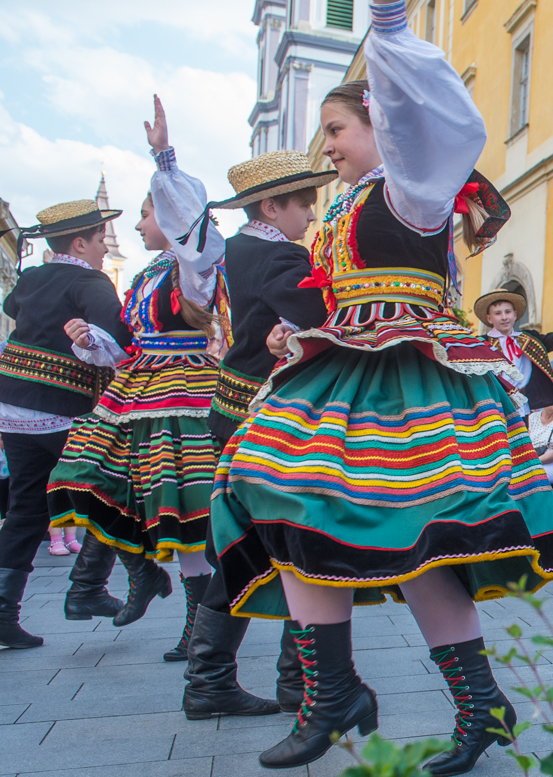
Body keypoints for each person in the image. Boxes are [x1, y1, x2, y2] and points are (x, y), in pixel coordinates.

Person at [210, 0, 553, 776]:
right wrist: (287, 332)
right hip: (347, 373)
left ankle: (462, 701)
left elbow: (444, 124)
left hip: (408, 380)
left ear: (379, 122)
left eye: (336, 129)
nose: (327, 148)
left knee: (407, 539)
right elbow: (334, 296)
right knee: (291, 502)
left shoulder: (413, 187)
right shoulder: (340, 212)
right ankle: (338, 689)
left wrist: (384, 14)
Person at [49, 97, 227, 668]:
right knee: (85, 477)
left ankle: (198, 631)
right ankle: (145, 576)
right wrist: (90, 341)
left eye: (146, 215)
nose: (139, 224)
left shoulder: (192, 269)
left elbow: (188, 225)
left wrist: (165, 159)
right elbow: (128, 343)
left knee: (184, 509)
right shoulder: (148, 275)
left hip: (183, 391)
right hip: (137, 388)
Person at [177, 146, 336, 721]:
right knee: (291, 542)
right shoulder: (277, 257)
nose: (312, 214)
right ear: (271, 206)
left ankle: (241, 678)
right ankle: (273, 680)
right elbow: (324, 313)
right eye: (304, 203)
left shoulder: (242, 250)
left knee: (270, 543)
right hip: (264, 416)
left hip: (237, 407)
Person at [0, 199, 132, 647]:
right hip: (60, 407)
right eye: (99, 241)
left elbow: (12, 306)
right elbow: (119, 334)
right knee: (117, 487)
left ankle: (3, 614)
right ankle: (88, 588)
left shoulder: (33, 276)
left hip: (12, 410)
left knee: (25, 509)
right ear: (80, 241)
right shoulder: (89, 280)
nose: (102, 251)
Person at [474, 277, 553, 420]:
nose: (504, 317)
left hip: (525, 409)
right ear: (489, 319)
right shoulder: (481, 343)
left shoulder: (530, 339)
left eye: (507, 312)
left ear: (515, 314)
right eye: (497, 313)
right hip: (493, 408)